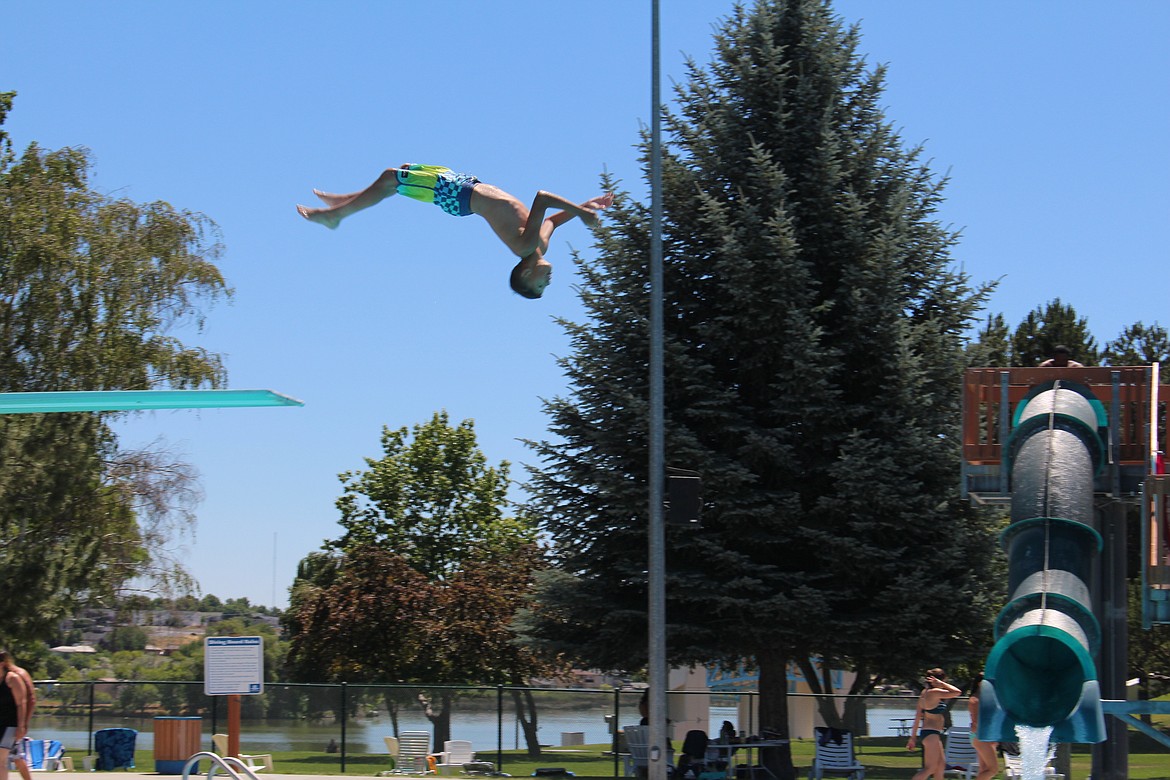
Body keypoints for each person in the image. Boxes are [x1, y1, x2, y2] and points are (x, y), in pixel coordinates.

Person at [297, 164, 613, 299]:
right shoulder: (539, 243)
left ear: (527, 274)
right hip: (466, 188)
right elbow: (553, 219)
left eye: (541, 286)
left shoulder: (525, 247)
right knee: (393, 177)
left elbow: (542, 197)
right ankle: (340, 203)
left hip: (459, 195)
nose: (549, 282)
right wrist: (587, 205)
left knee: (393, 178)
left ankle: (335, 215)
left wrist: (581, 213)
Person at [906, 668, 961, 780]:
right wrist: (942, 684)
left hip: (929, 733)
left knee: (940, 767)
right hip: (931, 734)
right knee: (930, 768)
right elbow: (957, 692)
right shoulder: (935, 692)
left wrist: (912, 738)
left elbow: (917, 717)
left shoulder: (924, 693)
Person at [0, 650, 29, 780]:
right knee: (17, 758)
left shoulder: (12, 679)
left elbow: (22, 703)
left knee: (0, 760)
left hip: (10, 726)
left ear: (2, 664)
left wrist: (21, 725)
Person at [967, 674, 998, 780]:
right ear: (980, 683)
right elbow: (976, 721)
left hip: (981, 735)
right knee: (993, 769)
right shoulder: (975, 700)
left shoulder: (982, 698)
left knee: (984, 769)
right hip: (980, 735)